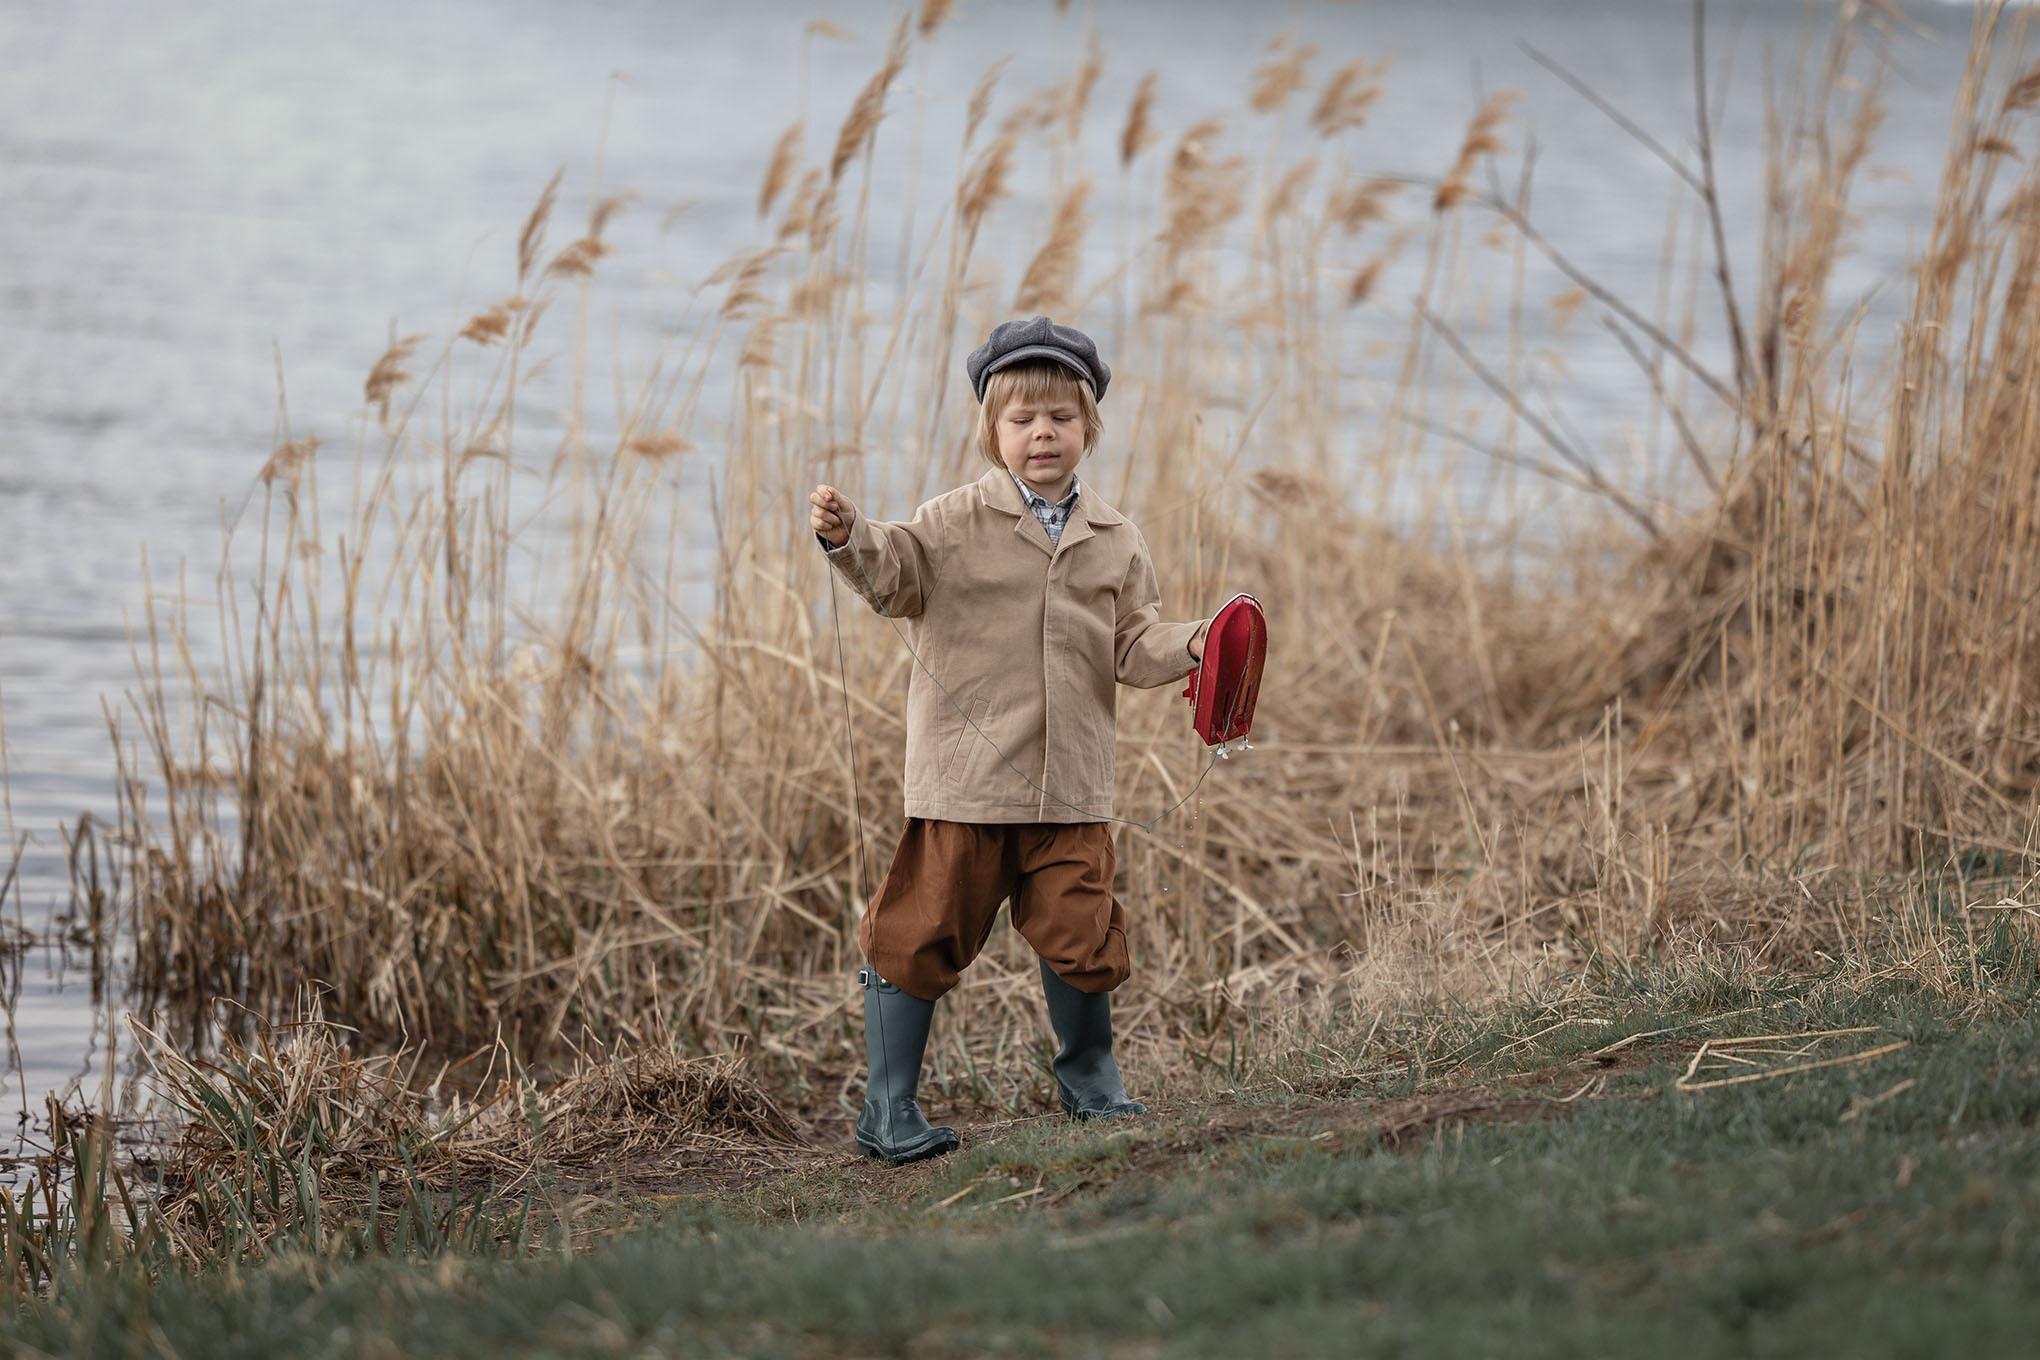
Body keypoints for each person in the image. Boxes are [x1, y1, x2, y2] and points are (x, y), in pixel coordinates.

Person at [809, 315, 1214, 1164]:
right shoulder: (953, 523)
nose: (1042, 434)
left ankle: (1091, 1081)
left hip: (1070, 785)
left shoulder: (1115, 538)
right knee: (920, 932)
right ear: (992, 430)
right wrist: (849, 536)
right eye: (1023, 419)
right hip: (966, 783)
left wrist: (1198, 643)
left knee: (1085, 926)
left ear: (1088, 428)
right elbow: (893, 575)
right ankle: (890, 1111)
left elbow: (1132, 643)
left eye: (1061, 418)